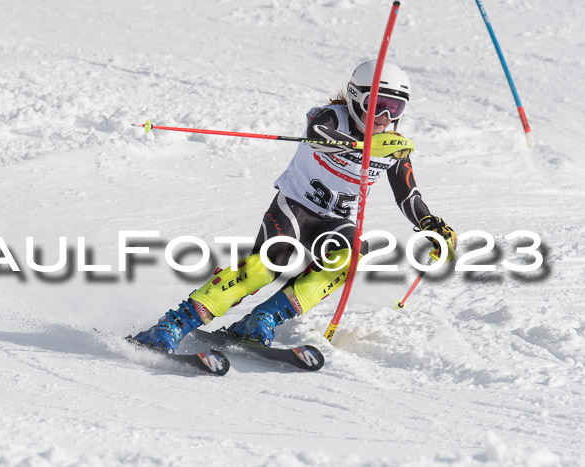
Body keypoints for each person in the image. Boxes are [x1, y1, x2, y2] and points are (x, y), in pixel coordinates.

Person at [133, 60, 457, 353]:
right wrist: (356, 145)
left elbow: (408, 196)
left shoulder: (392, 148)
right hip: (295, 208)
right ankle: (174, 324)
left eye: (395, 108)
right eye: (377, 105)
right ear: (357, 98)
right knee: (266, 265)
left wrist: (431, 225)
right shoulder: (333, 117)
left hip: (337, 222)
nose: (385, 118)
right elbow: (318, 134)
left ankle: (262, 319)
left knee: (350, 256)